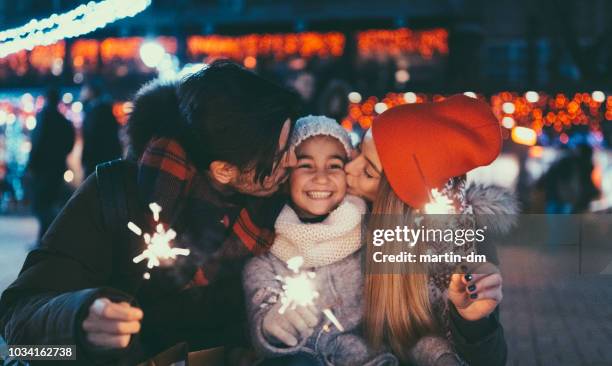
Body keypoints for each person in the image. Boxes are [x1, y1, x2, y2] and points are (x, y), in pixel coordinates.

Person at [0, 61, 301, 365]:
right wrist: (78, 319)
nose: (291, 160)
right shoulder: (115, 195)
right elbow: (18, 320)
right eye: (276, 156)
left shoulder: (281, 211)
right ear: (224, 171)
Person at [345, 95, 517, 366]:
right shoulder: (343, 220)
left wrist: (473, 322)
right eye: (357, 151)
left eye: (368, 172)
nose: (347, 168)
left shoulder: (468, 245)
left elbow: (491, 360)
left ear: (397, 203)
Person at [243, 115, 399, 365]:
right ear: (285, 176)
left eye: (334, 165)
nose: (321, 177)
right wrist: (272, 324)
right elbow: (261, 305)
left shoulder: (375, 238)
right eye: (306, 165)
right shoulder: (265, 254)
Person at [27, 88, 75, 241]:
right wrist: (61, 155)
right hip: (57, 166)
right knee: (49, 201)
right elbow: (69, 142)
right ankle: (46, 238)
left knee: (40, 205)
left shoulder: (43, 118)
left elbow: (37, 142)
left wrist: (31, 164)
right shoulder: (63, 120)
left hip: (43, 167)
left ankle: (49, 237)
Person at [80, 80, 123, 177]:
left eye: (84, 90)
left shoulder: (97, 112)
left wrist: (86, 159)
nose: (82, 93)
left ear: (91, 92)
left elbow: (92, 139)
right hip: (102, 160)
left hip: (97, 162)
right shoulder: (101, 110)